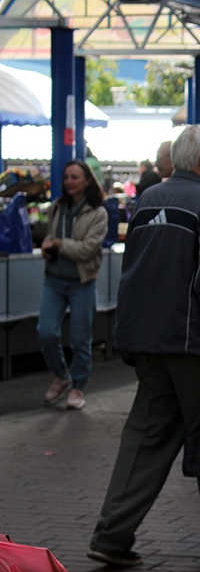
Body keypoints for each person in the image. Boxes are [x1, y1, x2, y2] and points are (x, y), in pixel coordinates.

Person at [87, 124, 200, 568]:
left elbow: (134, 274)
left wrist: (128, 335)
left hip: (150, 343)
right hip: (196, 347)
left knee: (143, 438)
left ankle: (110, 534)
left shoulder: (149, 201)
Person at [38, 159, 109, 410]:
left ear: (87, 181)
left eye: (75, 177)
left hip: (82, 282)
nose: (69, 181)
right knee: (46, 331)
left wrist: (57, 244)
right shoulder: (57, 207)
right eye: (67, 177)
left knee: (80, 338)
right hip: (54, 280)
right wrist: (49, 246)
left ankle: (78, 386)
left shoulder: (98, 213)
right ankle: (61, 375)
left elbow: (88, 250)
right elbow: (50, 235)